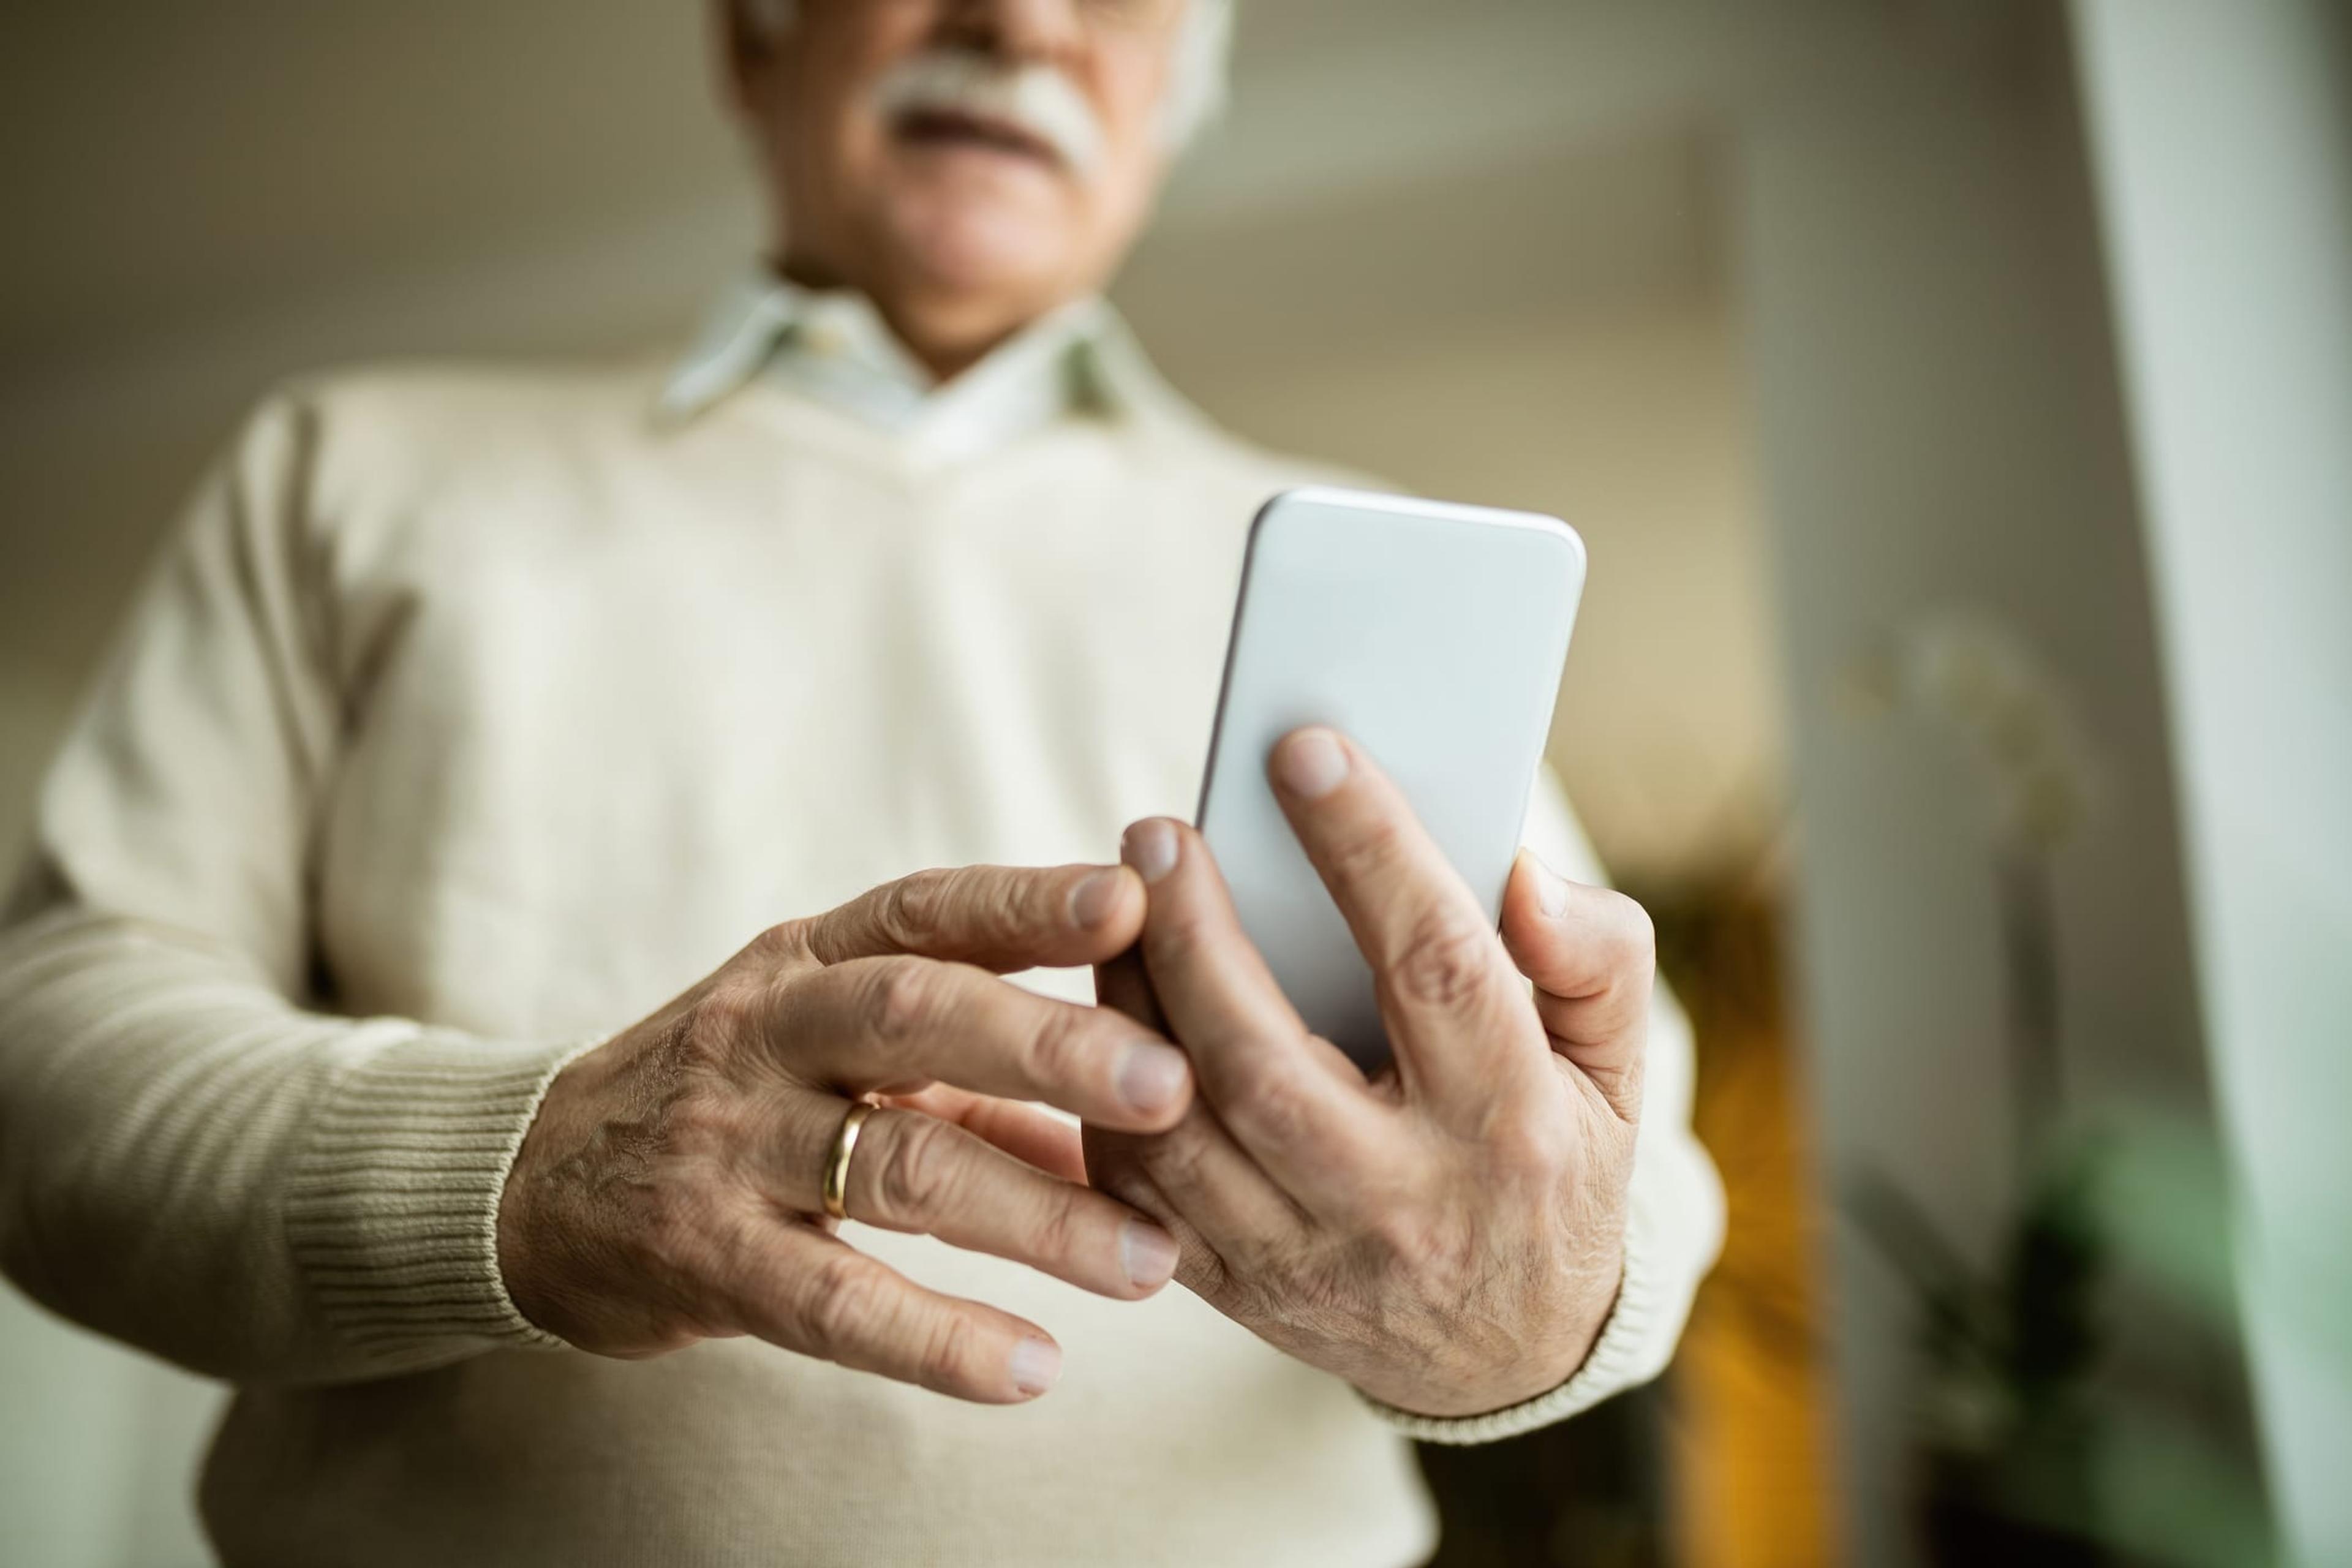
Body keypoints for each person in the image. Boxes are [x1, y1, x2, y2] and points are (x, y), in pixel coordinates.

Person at [0, 1, 1723, 1562]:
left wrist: (1536, 1308)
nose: (1024, 22)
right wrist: (529, 1180)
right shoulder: (349, 472)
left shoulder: (1391, 586)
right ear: (755, 45)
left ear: (1163, 110)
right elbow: (51, 1050)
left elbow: (1626, 1148)